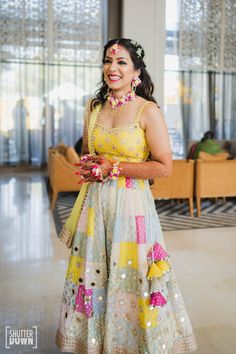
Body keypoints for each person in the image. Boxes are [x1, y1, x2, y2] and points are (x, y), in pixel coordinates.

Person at [55, 38, 197, 354]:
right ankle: (96, 343)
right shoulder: (93, 108)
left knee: (133, 278)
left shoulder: (147, 111)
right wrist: (91, 167)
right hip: (96, 207)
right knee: (96, 276)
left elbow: (164, 167)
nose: (112, 68)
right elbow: (88, 154)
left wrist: (114, 168)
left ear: (136, 72)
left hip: (133, 209)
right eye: (108, 60)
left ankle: (136, 343)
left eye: (121, 62)